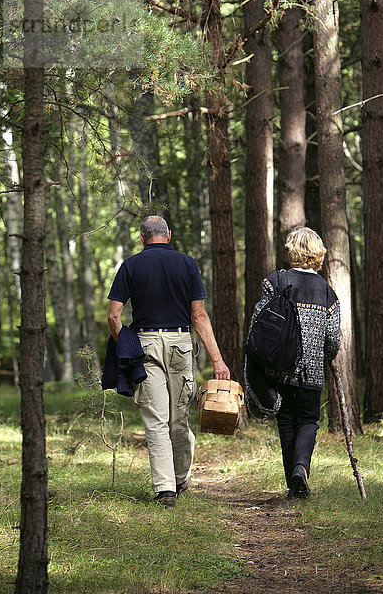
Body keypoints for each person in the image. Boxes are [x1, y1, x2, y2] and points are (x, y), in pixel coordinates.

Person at [107, 215, 230, 508]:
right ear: (169, 235)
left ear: (142, 238)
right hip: (180, 344)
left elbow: (114, 315)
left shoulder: (130, 265)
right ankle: (178, 478)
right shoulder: (187, 264)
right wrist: (218, 360)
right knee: (178, 419)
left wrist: (124, 343)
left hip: (145, 343)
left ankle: (165, 491)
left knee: (156, 421)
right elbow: (198, 316)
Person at [248, 227, 341, 499]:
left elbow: (259, 322)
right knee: (309, 420)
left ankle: (294, 486)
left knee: (286, 420)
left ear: (293, 251)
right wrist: (327, 356)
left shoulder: (276, 281)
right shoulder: (326, 292)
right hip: (312, 372)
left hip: (279, 367)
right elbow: (333, 338)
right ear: (317, 254)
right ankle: (301, 467)